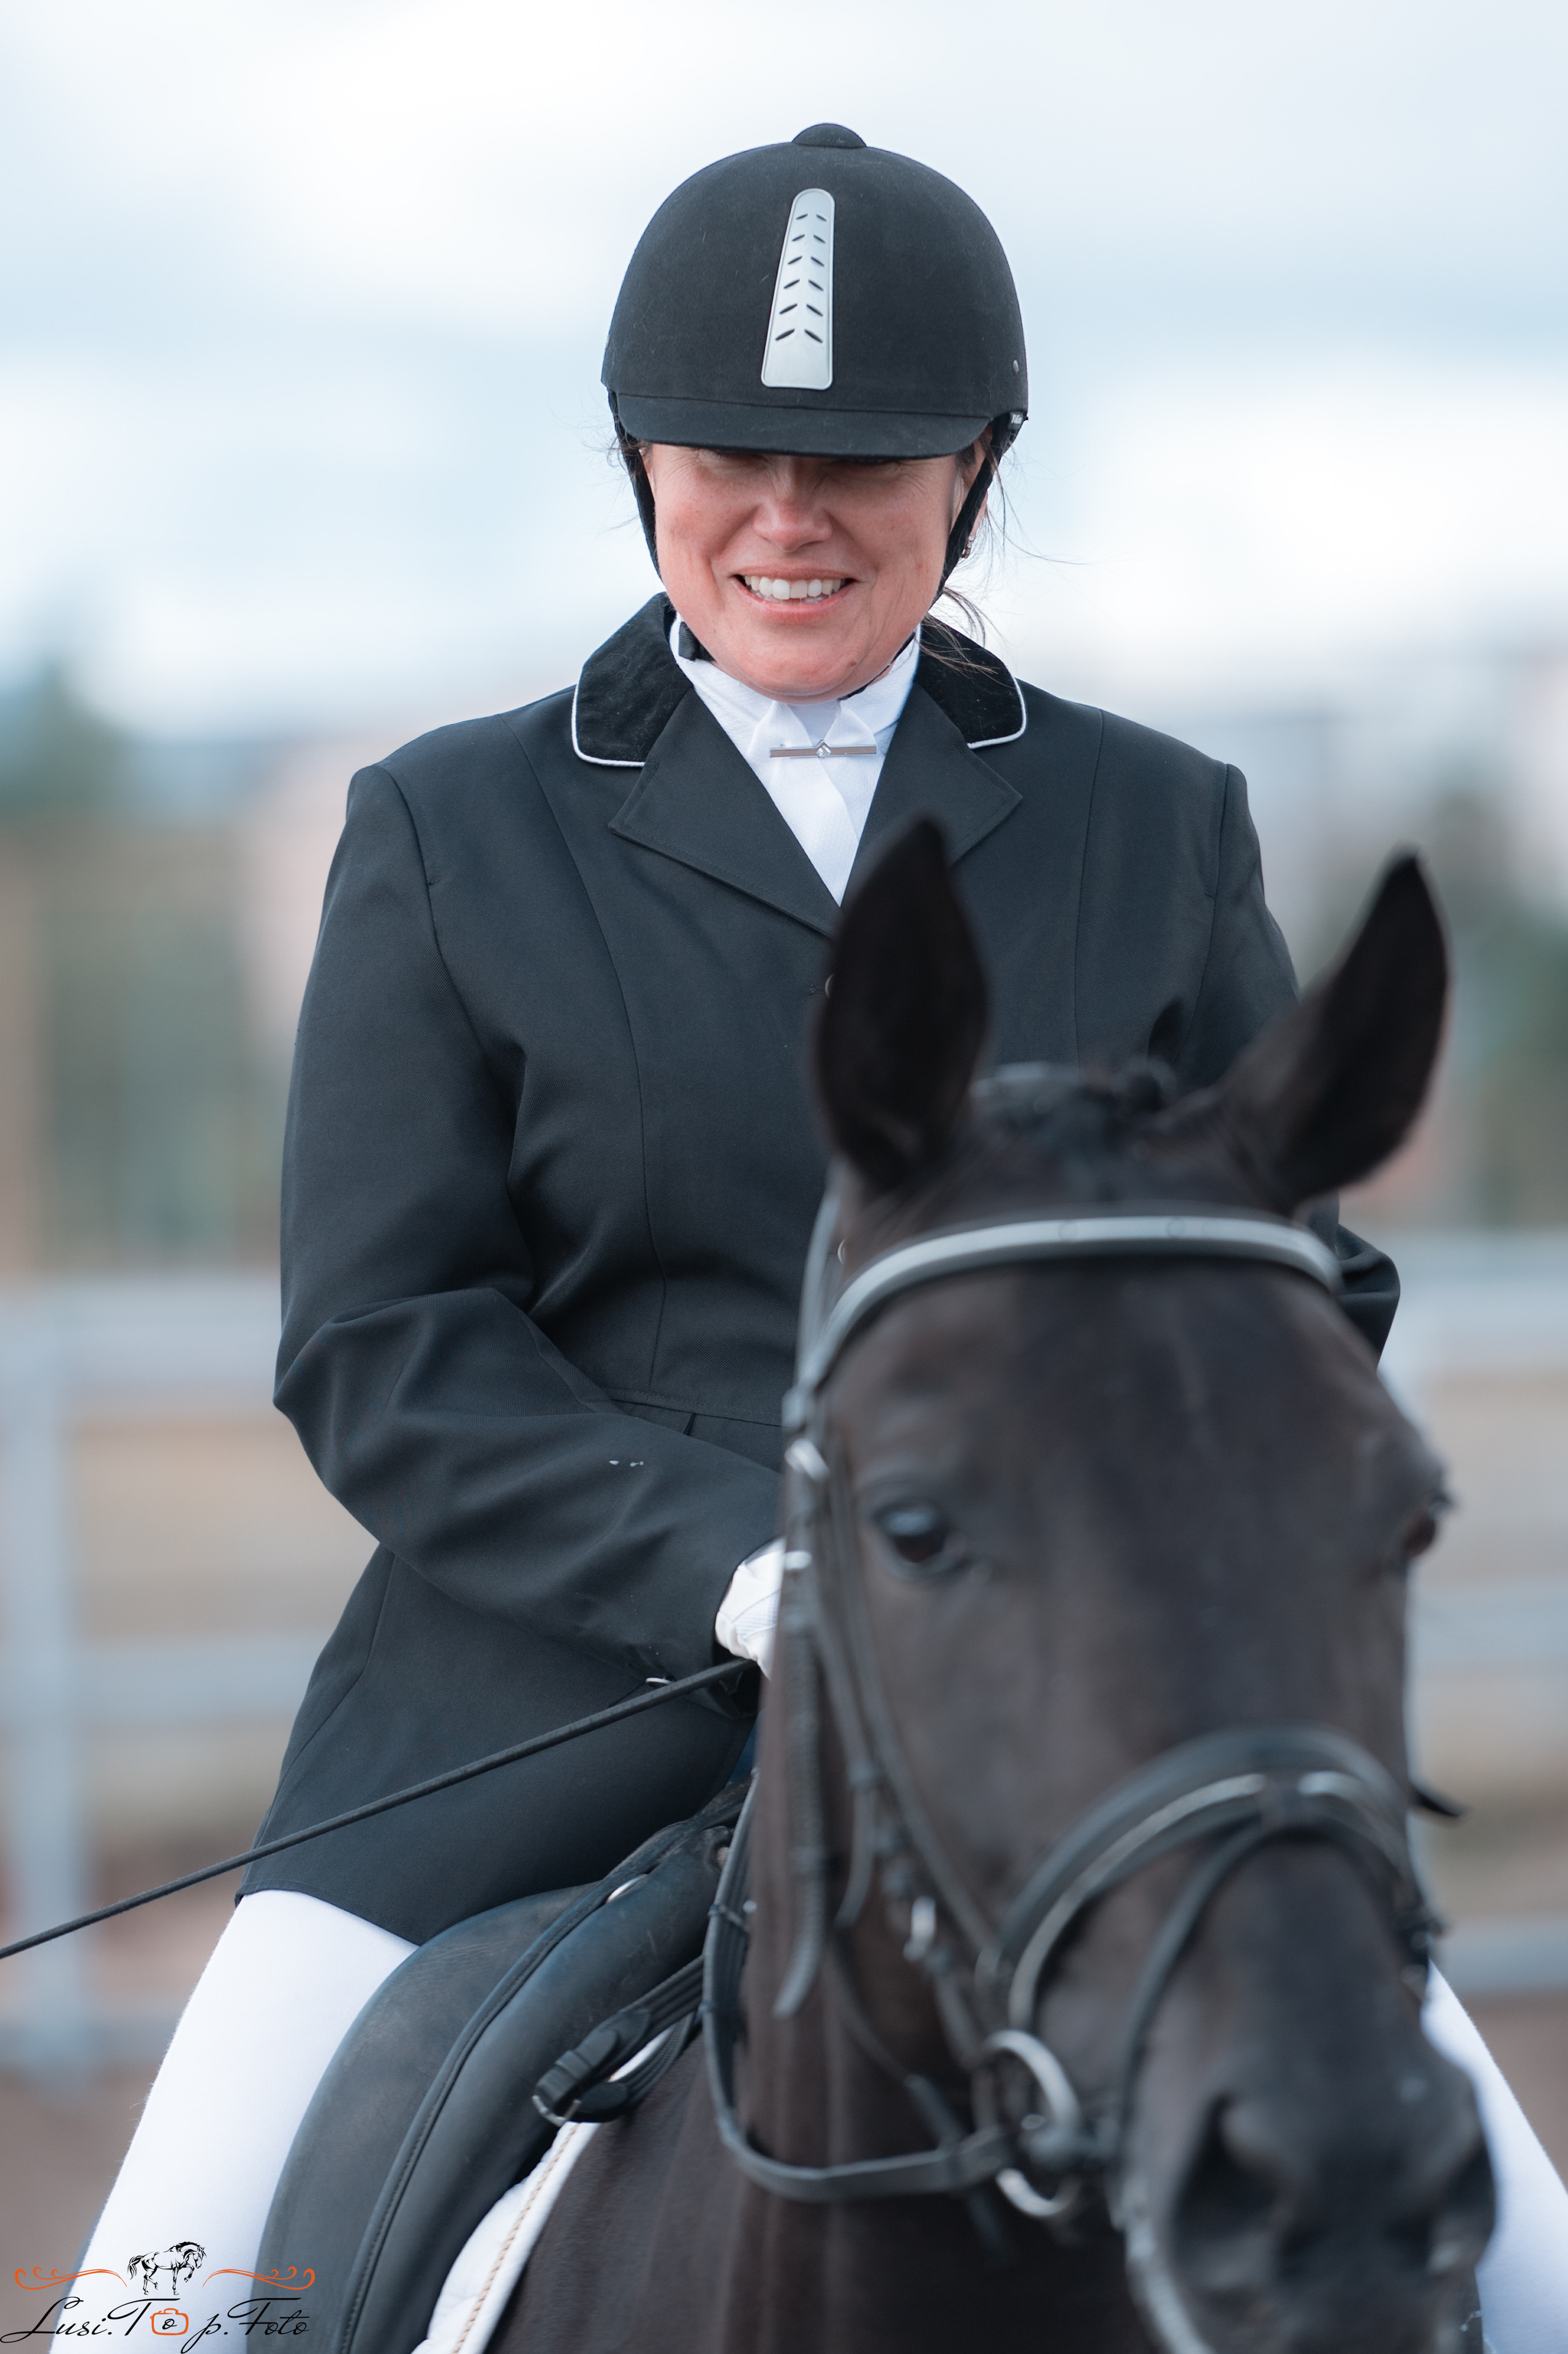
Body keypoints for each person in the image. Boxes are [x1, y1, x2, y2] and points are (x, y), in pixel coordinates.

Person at [70, 124, 1564, 2350]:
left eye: (860, 461)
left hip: (1075, 1730)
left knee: (1519, 2274)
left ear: (973, 469)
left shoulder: (1158, 823)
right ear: (640, 457)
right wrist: (751, 1550)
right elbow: (385, 1340)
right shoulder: (448, 830)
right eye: (731, 453)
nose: (789, 514)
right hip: (524, 1728)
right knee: (151, 2306)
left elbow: (1304, 1288)